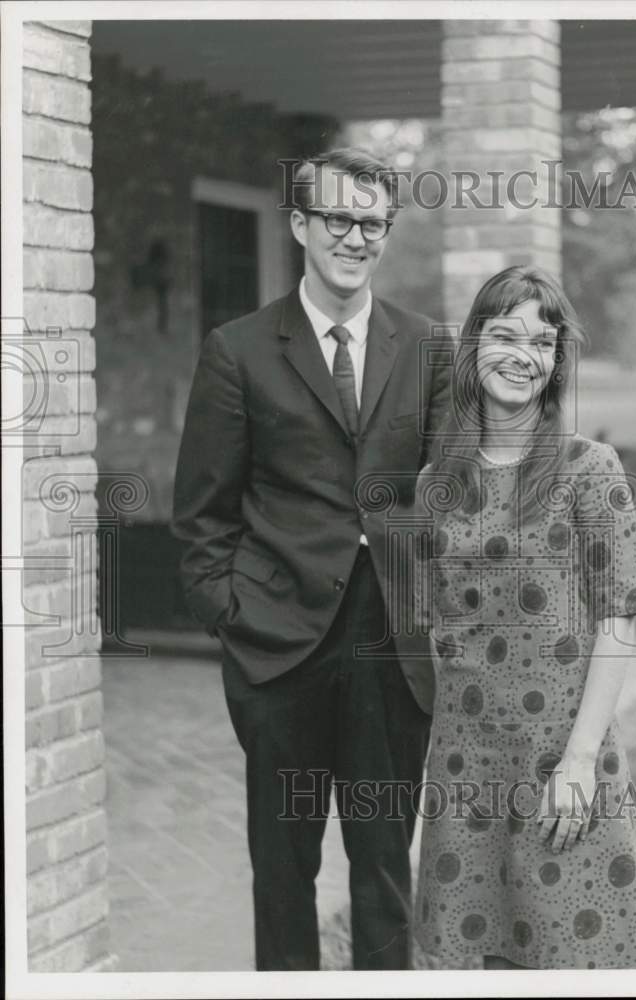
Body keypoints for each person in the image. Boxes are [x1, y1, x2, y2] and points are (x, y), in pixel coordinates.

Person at [172, 147, 452, 971]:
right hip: (279, 648)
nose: (356, 238)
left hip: (391, 650)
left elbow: (453, 497)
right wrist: (236, 620)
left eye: (373, 223)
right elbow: (202, 515)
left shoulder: (427, 345)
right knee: (284, 876)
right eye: (339, 219)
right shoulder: (239, 350)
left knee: (382, 871)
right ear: (299, 224)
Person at [412, 265, 636, 970]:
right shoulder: (437, 482)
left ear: (555, 364)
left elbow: (618, 618)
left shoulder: (589, 469)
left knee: (575, 955)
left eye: (544, 343)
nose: (526, 355)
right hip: (465, 765)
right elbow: (441, 627)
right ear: (473, 348)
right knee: (481, 959)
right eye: (506, 335)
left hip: (562, 755)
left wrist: (580, 760)